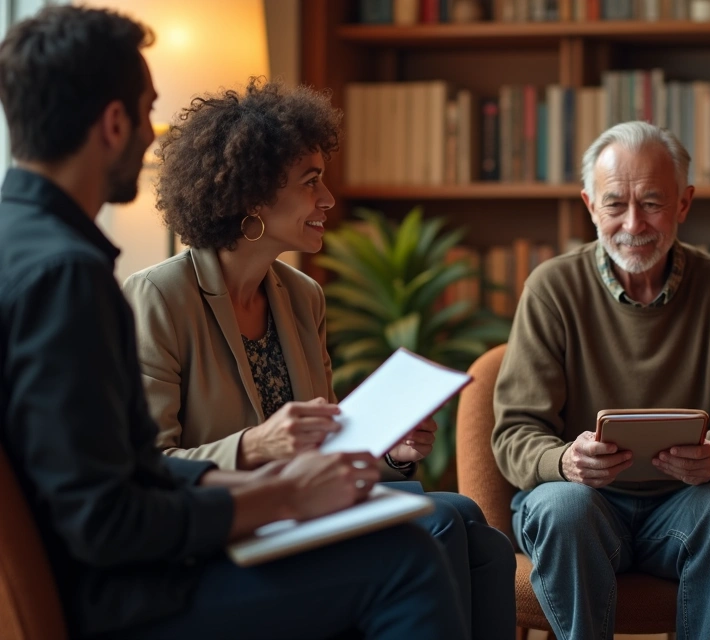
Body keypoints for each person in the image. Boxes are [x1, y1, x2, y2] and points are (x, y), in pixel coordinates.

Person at [0, 6, 467, 640]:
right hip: (118, 595)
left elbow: (118, 470)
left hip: (119, 566)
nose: (152, 136)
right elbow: (104, 520)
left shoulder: (21, 247)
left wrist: (280, 484)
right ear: (113, 123)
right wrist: (280, 496)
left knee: (444, 528)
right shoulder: (68, 276)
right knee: (406, 560)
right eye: (145, 113)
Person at [121, 79, 514, 639]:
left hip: (306, 510)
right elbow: (152, 464)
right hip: (231, 528)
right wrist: (254, 447)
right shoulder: (159, 297)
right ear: (252, 197)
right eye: (311, 183)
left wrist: (392, 453)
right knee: (443, 521)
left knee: (479, 532)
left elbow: (328, 447)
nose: (328, 199)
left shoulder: (301, 296)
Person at [492, 120, 710, 640]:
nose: (632, 223)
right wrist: (564, 460)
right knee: (564, 505)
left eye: (652, 202)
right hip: (584, 507)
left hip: (685, 511)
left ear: (684, 204)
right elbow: (513, 435)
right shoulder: (552, 288)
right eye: (614, 204)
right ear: (588, 205)